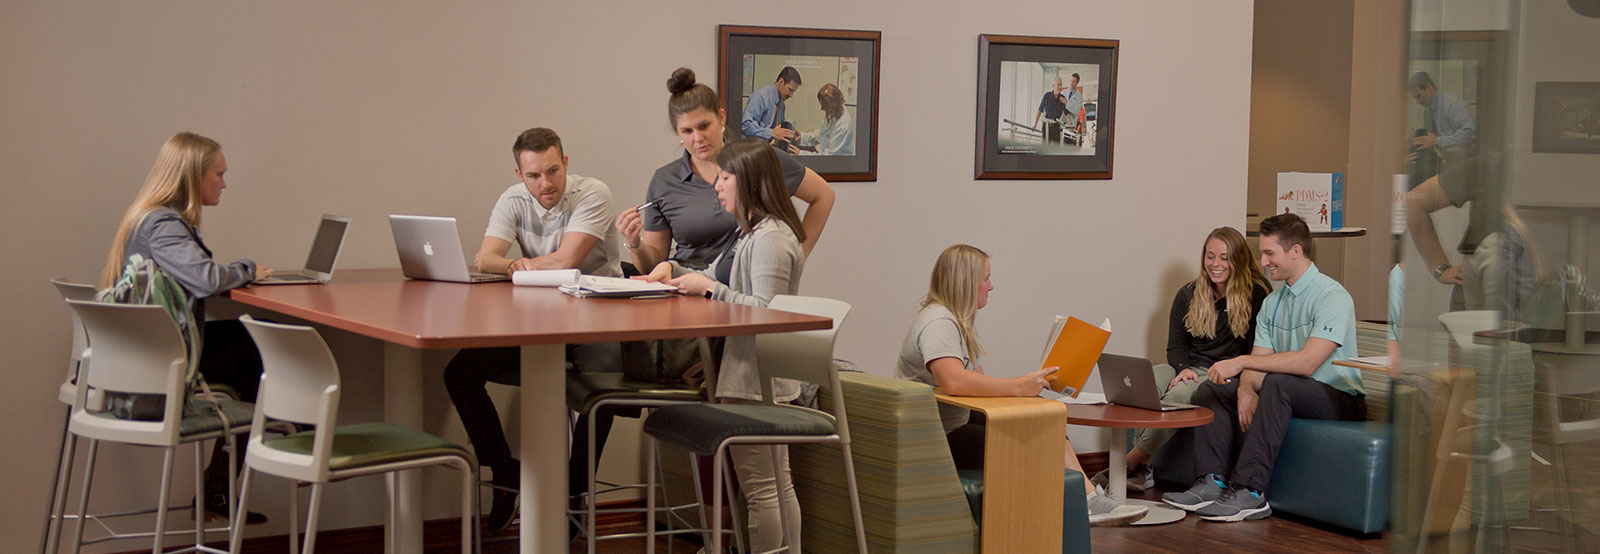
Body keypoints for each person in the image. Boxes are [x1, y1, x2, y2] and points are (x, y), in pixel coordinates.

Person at [441, 127, 624, 532]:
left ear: (566, 163)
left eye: (553, 171)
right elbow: (484, 258)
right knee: (459, 373)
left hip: (596, 317)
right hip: (539, 319)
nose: (546, 183)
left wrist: (519, 266)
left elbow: (566, 261)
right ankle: (505, 471)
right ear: (520, 174)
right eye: (534, 175)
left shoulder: (593, 193)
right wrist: (510, 266)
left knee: (601, 395)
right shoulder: (514, 198)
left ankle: (574, 494)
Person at [636, 138, 812, 551]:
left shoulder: (770, 239)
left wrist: (712, 290)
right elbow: (708, 275)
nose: (717, 184)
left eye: (726, 176)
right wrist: (670, 268)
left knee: (764, 489)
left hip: (757, 381)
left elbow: (767, 313)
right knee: (773, 485)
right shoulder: (747, 233)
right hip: (749, 377)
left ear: (750, 182)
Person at [893, 244, 1148, 526]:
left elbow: (979, 382)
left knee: (1043, 422)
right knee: (1037, 437)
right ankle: (1086, 503)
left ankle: (1088, 499)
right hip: (936, 437)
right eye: (986, 279)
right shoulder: (938, 322)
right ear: (966, 283)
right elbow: (953, 381)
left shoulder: (957, 322)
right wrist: (1019, 387)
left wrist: (1031, 386)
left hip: (952, 425)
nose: (991, 287)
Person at [98, 131, 273, 524]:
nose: (224, 183)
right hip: (160, 369)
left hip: (148, 360)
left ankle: (223, 485)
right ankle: (296, 440)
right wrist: (247, 270)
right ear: (194, 177)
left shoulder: (150, 219)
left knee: (250, 345)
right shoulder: (163, 224)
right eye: (219, 174)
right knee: (259, 347)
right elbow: (207, 280)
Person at [1162, 213, 1366, 522]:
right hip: (1288, 390)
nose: (1263, 260)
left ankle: (1250, 492)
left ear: (1295, 251)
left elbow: (1308, 362)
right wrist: (1244, 387)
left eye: (1270, 253)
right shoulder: (1273, 302)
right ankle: (1210, 481)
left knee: (1277, 383)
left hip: (1338, 398)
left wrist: (1242, 363)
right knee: (1214, 388)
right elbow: (1260, 359)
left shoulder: (1332, 296)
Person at [1089, 227, 1270, 493]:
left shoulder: (1255, 295)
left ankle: (1132, 462)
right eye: (1210, 256)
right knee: (1148, 380)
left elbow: (1255, 352)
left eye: (1224, 257)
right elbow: (1175, 347)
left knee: (1182, 393)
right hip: (1189, 367)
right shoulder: (1189, 294)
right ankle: (1144, 467)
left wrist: (1195, 376)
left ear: (1238, 260)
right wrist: (1183, 369)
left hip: (1224, 373)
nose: (1216, 264)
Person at [1404, 153, 1537, 322]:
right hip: (1487, 274)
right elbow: (1415, 201)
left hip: (1517, 277)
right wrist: (1440, 269)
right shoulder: (1487, 164)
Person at [1408, 71, 1477, 163]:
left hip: (1465, 160)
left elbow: (1470, 134)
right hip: (1447, 160)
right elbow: (1431, 139)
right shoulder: (1427, 112)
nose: (1417, 101)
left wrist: (1437, 141)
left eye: (1419, 96)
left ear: (1429, 87)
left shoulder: (1453, 103)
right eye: (1415, 98)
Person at [741, 66, 802, 143]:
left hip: (766, 147)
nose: (791, 95)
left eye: (793, 92)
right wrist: (771, 133)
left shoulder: (781, 105)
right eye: (790, 90)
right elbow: (745, 125)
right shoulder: (761, 96)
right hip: (751, 148)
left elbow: (778, 128)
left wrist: (790, 132)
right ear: (781, 82)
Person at [791, 83, 854, 156]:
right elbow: (823, 134)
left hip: (837, 163)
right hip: (827, 158)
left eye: (824, 106)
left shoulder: (843, 125)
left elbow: (829, 155)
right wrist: (803, 136)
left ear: (832, 106)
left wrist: (801, 153)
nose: (822, 109)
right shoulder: (834, 111)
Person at [1031, 75, 1069, 145]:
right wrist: (1035, 124)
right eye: (1058, 85)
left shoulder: (1063, 98)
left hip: (1056, 126)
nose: (1060, 87)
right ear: (1053, 86)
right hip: (1046, 126)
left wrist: (1071, 125)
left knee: (1055, 149)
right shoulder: (1047, 95)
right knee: (1045, 147)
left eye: (1061, 85)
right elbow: (1040, 110)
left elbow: (1067, 112)